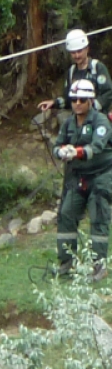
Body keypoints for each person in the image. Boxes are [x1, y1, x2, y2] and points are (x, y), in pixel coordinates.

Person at [53, 79, 112, 280]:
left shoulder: (101, 122)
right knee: (66, 214)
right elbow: (56, 145)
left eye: (82, 99)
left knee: (99, 218)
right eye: (74, 99)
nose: (77, 103)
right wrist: (60, 151)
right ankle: (66, 263)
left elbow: (96, 147)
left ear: (90, 100)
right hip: (77, 177)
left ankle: (100, 266)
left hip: (101, 175)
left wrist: (76, 152)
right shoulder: (68, 123)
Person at [38, 29, 112, 114]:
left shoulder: (97, 68)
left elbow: (109, 93)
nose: (76, 55)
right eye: (73, 52)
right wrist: (54, 103)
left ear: (87, 49)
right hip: (78, 122)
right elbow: (68, 99)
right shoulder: (71, 72)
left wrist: (90, 106)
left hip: (98, 120)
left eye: (79, 51)